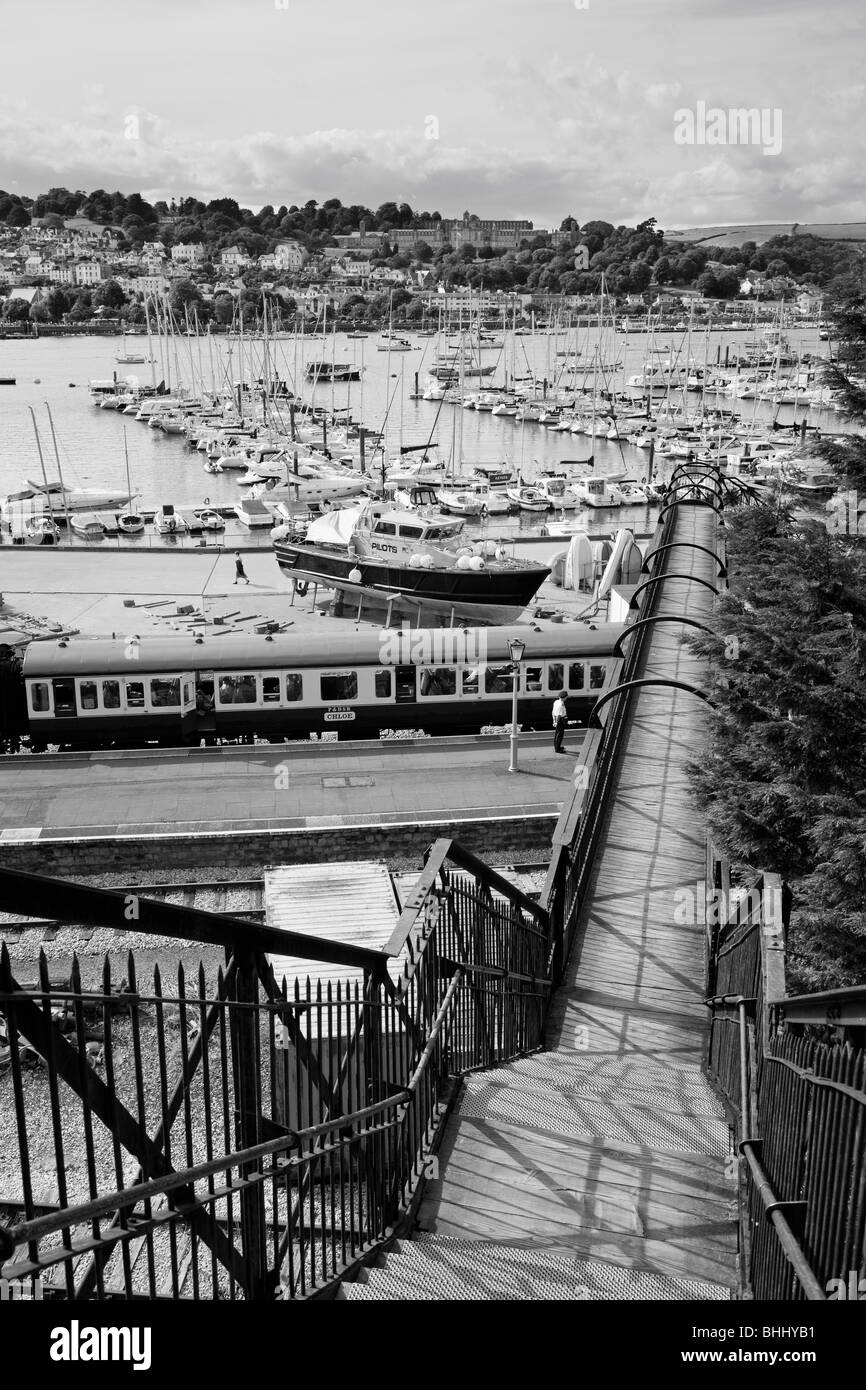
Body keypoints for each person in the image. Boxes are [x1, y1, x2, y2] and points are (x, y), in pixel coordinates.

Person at [552, 688, 569, 753]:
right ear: (565, 697)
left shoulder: (556, 702)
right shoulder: (560, 705)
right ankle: (557, 749)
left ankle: (557, 746)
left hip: (557, 719)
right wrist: (556, 722)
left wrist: (554, 720)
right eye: (567, 696)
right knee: (559, 735)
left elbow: (553, 712)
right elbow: (559, 715)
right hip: (560, 720)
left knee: (557, 734)